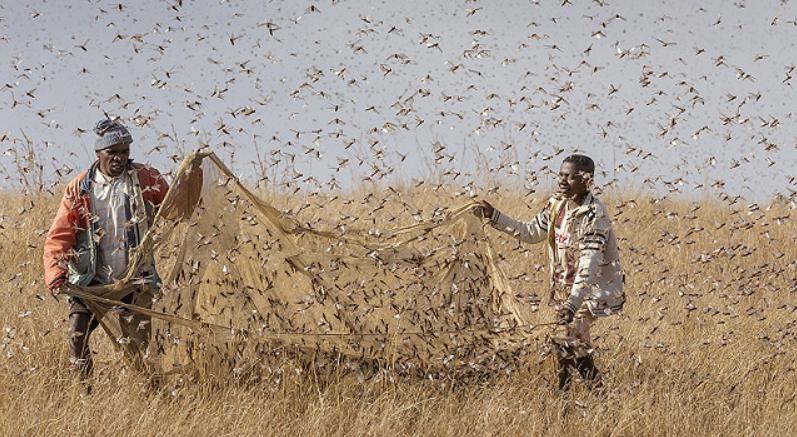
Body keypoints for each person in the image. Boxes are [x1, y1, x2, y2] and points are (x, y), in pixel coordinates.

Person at [475, 154, 624, 392]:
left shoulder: (594, 215)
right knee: (569, 345)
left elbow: (589, 265)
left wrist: (573, 304)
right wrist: (495, 216)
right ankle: (585, 400)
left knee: (569, 341)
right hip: (564, 289)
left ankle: (575, 399)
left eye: (571, 177)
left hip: (589, 291)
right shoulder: (557, 204)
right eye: (561, 175)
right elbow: (532, 232)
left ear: (588, 181)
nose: (562, 181)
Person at [43, 118, 169, 378]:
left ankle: (153, 398)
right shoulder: (80, 188)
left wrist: (193, 175)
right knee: (77, 337)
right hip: (91, 280)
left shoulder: (146, 178)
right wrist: (56, 272)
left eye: (124, 152)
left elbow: (176, 206)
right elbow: (60, 235)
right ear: (98, 153)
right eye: (112, 152)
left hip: (134, 278)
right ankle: (85, 397)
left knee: (139, 351)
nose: (119, 159)